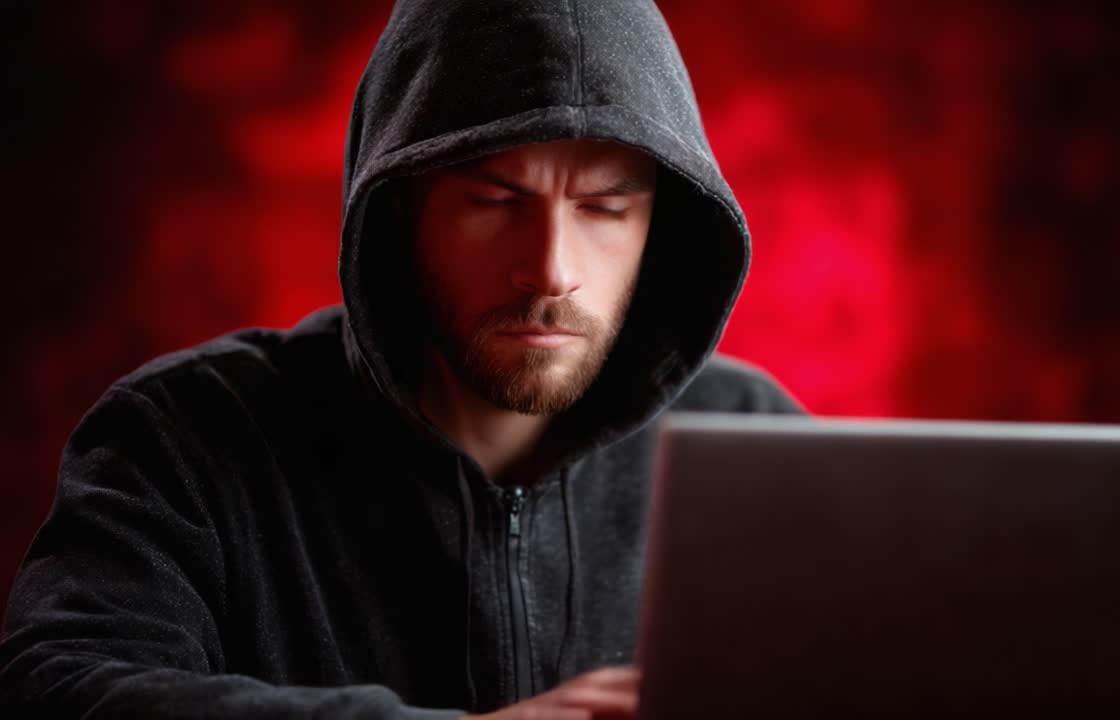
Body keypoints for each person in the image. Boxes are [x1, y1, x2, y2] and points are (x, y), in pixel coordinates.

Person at [0, 0, 803, 717]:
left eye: (604, 208)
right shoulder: (185, 439)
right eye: (495, 201)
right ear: (400, 209)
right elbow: (57, 686)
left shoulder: (757, 444)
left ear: (660, 229)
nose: (553, 268)